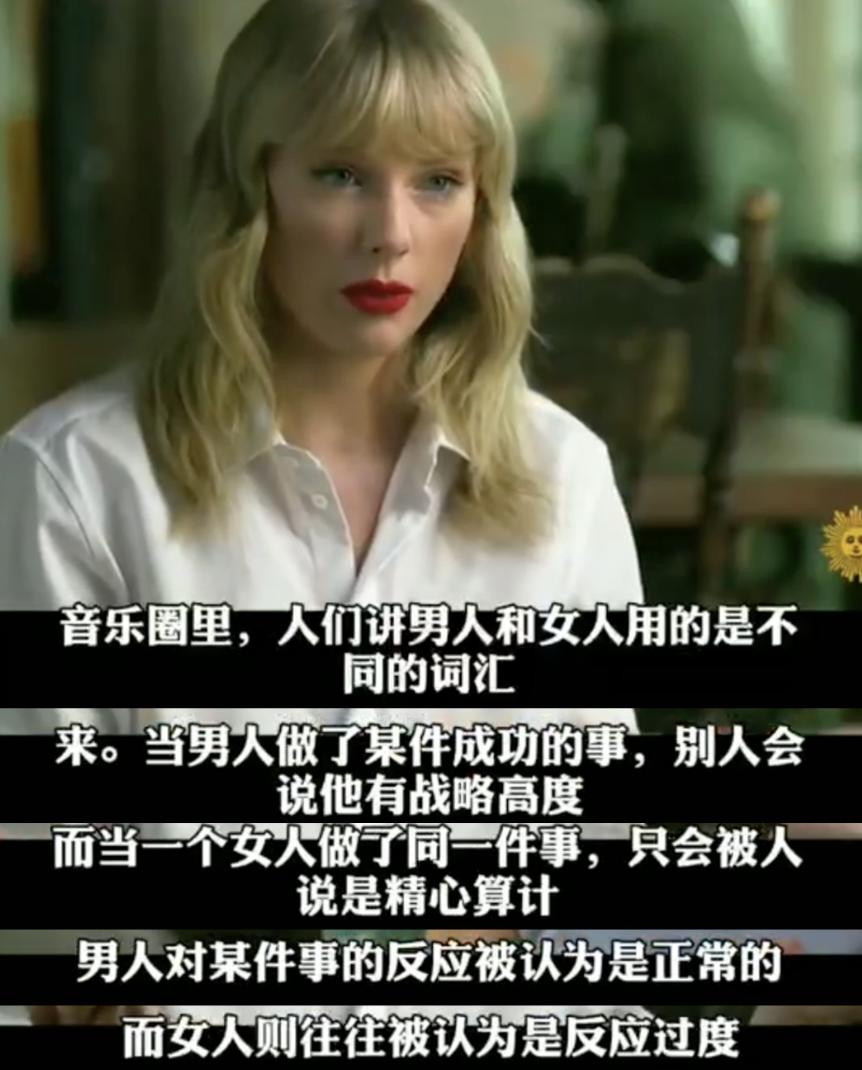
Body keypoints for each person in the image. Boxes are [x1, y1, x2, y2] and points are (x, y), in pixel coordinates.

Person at [0, 0, 642, 1028]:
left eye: (438, 180)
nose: (391, 233)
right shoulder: (76, 480)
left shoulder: (564, 476)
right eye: (341, 174)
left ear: (483, 208)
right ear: (246, 187)